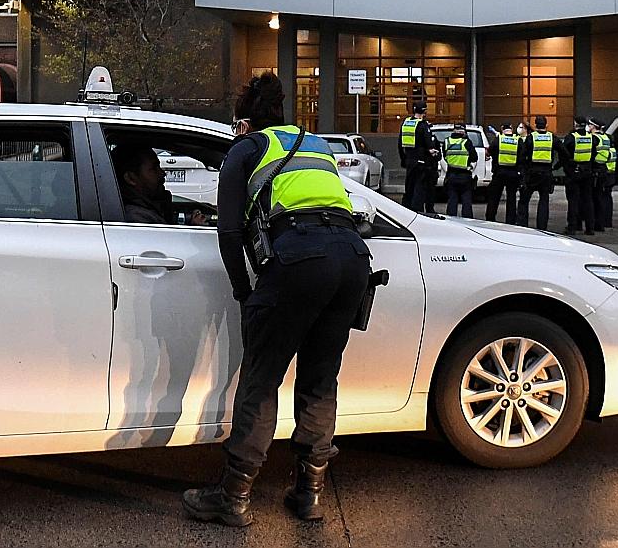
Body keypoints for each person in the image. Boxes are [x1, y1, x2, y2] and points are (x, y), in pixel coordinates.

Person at [183, 73, 371, 527]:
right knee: (320, 380)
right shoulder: (317, 146)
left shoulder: (245, 150)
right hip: (352, 260)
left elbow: (228, 231)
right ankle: (308, 494)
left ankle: (232, 497)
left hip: (301, 259)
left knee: (262, 380)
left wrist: (244, 292)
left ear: (243, 120)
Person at [517, 116, 557, 231]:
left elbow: (522, 156)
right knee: (544, 200)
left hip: (532, 173)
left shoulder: (530, 138)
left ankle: (522, 225)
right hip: (546, 173)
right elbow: (563, 152)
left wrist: (523, 170)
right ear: (546, 125)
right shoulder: (552, 137)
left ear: (535, 125)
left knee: (524, 200)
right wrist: (556, 166)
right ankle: (542, 227)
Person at [560, 115, 597, 236]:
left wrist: (567, 169)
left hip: (574, 173)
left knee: (573, 201)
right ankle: (590, 228)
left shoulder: (571, 138)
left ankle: (573, 227)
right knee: (587, 200)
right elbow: (594, 154)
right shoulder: (591, 138)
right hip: (587, 172)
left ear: (575, 124)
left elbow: (564, 154)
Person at [399, 103, 437, 214]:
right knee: (419, 187)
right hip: (421, 161)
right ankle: (417, 210)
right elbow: (428, 143)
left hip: (410, 160)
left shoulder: (406, 123)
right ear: (424, 112)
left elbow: (400, 143)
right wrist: (431, 150)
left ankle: (406, 209)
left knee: (409, 186)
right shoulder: (423, 125)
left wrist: (404, 159)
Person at [487, 123, 521, 222]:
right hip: (513, 173)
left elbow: (490, 151)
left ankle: (490, 218)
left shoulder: (499, 139)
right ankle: (510, 220)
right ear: (512, 128)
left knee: (494, 197)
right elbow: (522, 155)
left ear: (502, 129)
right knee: (511, 198)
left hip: (499, 173)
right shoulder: (517, 140)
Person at [443, 121, 477, 218]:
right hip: (465, 175)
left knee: (452, 200)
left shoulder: (447, 141)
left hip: (451, 175)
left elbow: (445, 156)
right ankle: (467, 222)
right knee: (466, 201)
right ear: (464, 131)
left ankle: (451, 221)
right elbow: (474, 157)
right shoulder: (466, 142)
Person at [591, 120, 618, 231]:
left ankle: (598, 222)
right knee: (606, 198)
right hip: (609, 173)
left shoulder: (596, 139)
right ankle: (606, 221)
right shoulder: (607, 142)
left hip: (601, 171)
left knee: (598, 198)